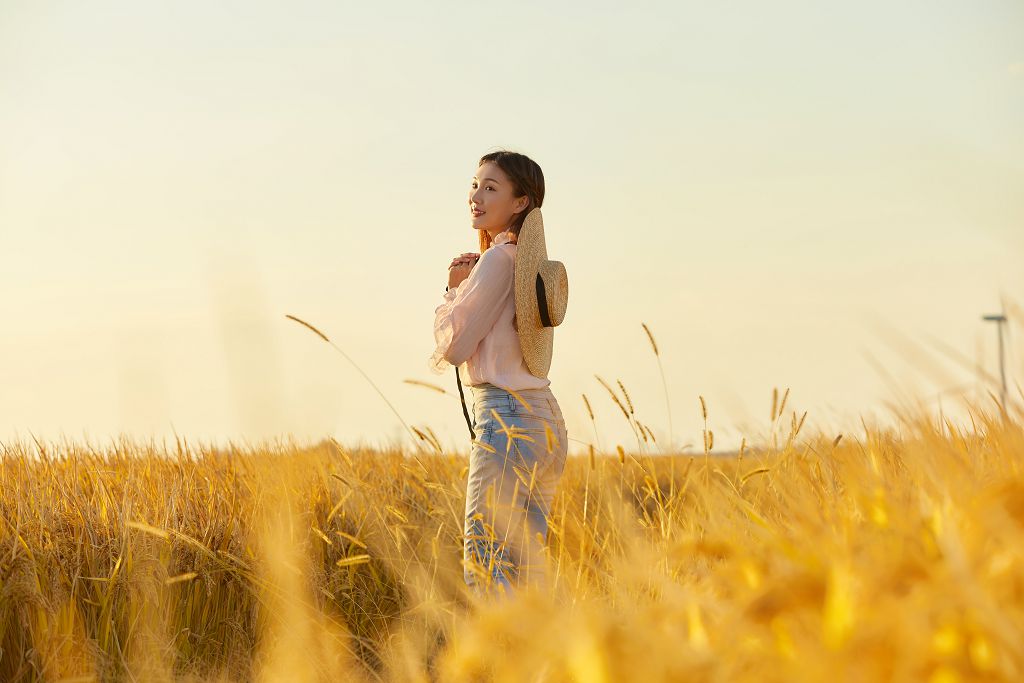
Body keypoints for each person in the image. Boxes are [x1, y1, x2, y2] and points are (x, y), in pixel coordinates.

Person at [428, 149, 569, 599]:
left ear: (520, 202)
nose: (476, 196)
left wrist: (454, 289)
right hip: (546, 419)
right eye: (475, 184)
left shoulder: (496, 262)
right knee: (528, 567)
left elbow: (454, 347)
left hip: (507, 415)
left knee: (486, 564)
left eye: (491, 188)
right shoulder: (520, 268)